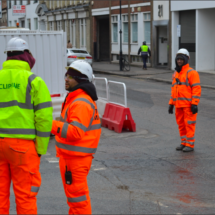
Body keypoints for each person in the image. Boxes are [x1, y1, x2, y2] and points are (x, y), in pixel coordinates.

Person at [0, 37, 53, 214]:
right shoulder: (34, 81)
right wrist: (40, 149)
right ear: (26, 55)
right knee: (25, 196)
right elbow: (44, 119)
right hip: (22, 148)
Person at [51, 60, 101, 214]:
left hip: (75, 160)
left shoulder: (81, 102)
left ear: (81, 80)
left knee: (78, 200)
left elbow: (75, 132)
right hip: (73, 158)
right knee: (75, 200)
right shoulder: (76, 98)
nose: (66, 78)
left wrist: (49, 124)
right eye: (66, 75)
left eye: (70, 76)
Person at [168, 48, 201, 152]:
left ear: (186, 59)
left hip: (188, 105)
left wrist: (194, 104)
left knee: (189, 125)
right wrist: (171, 103)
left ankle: (190, 145)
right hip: (178, 105)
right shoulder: (176, 73)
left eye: (181, 59)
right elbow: (174, 90)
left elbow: (196, 89)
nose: (179, 61)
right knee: (181, 125)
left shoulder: (192, 73)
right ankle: (184, 143)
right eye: (178, 59)